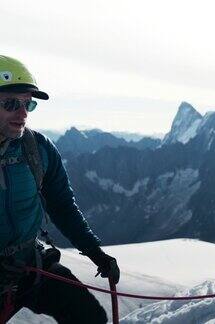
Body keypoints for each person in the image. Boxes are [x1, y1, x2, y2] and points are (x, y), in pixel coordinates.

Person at [0, 55, 120, 324]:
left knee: (90, 317)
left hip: (28, 267)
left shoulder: (37, 149)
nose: (23, 113)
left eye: (28, 103)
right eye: (11, 103)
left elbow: (62, 206)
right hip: (21, 269)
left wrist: (95, 252)